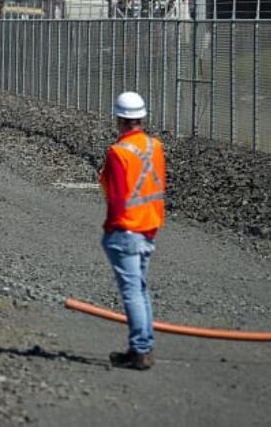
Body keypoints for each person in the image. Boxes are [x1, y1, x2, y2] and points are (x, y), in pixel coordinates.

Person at [99, 91, 166, 370]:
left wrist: (110, 229)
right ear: (141, 118)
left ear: (119, 120)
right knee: (139, 289)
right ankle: (142, 346)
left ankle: (140, 350)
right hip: (149, 227)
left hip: (125, 229)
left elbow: (115, 196)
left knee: (132, 292)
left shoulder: (117, 153)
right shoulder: (155, 146)